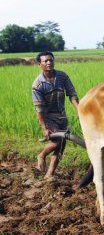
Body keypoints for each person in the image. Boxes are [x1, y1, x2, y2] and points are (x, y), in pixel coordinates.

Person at [32, 51, 79, 180]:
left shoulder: (62, 76)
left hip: (62, 116)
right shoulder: (38, 85)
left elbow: (72, 94)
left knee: (62, 145)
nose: (49, 62)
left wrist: (79, 110)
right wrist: (44, 127)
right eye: (45, 61)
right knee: (58, 140)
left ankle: (50, 174)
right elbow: (39, 108)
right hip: (48, 117)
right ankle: (42, 155)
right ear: (39, 64)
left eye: (51, 60)